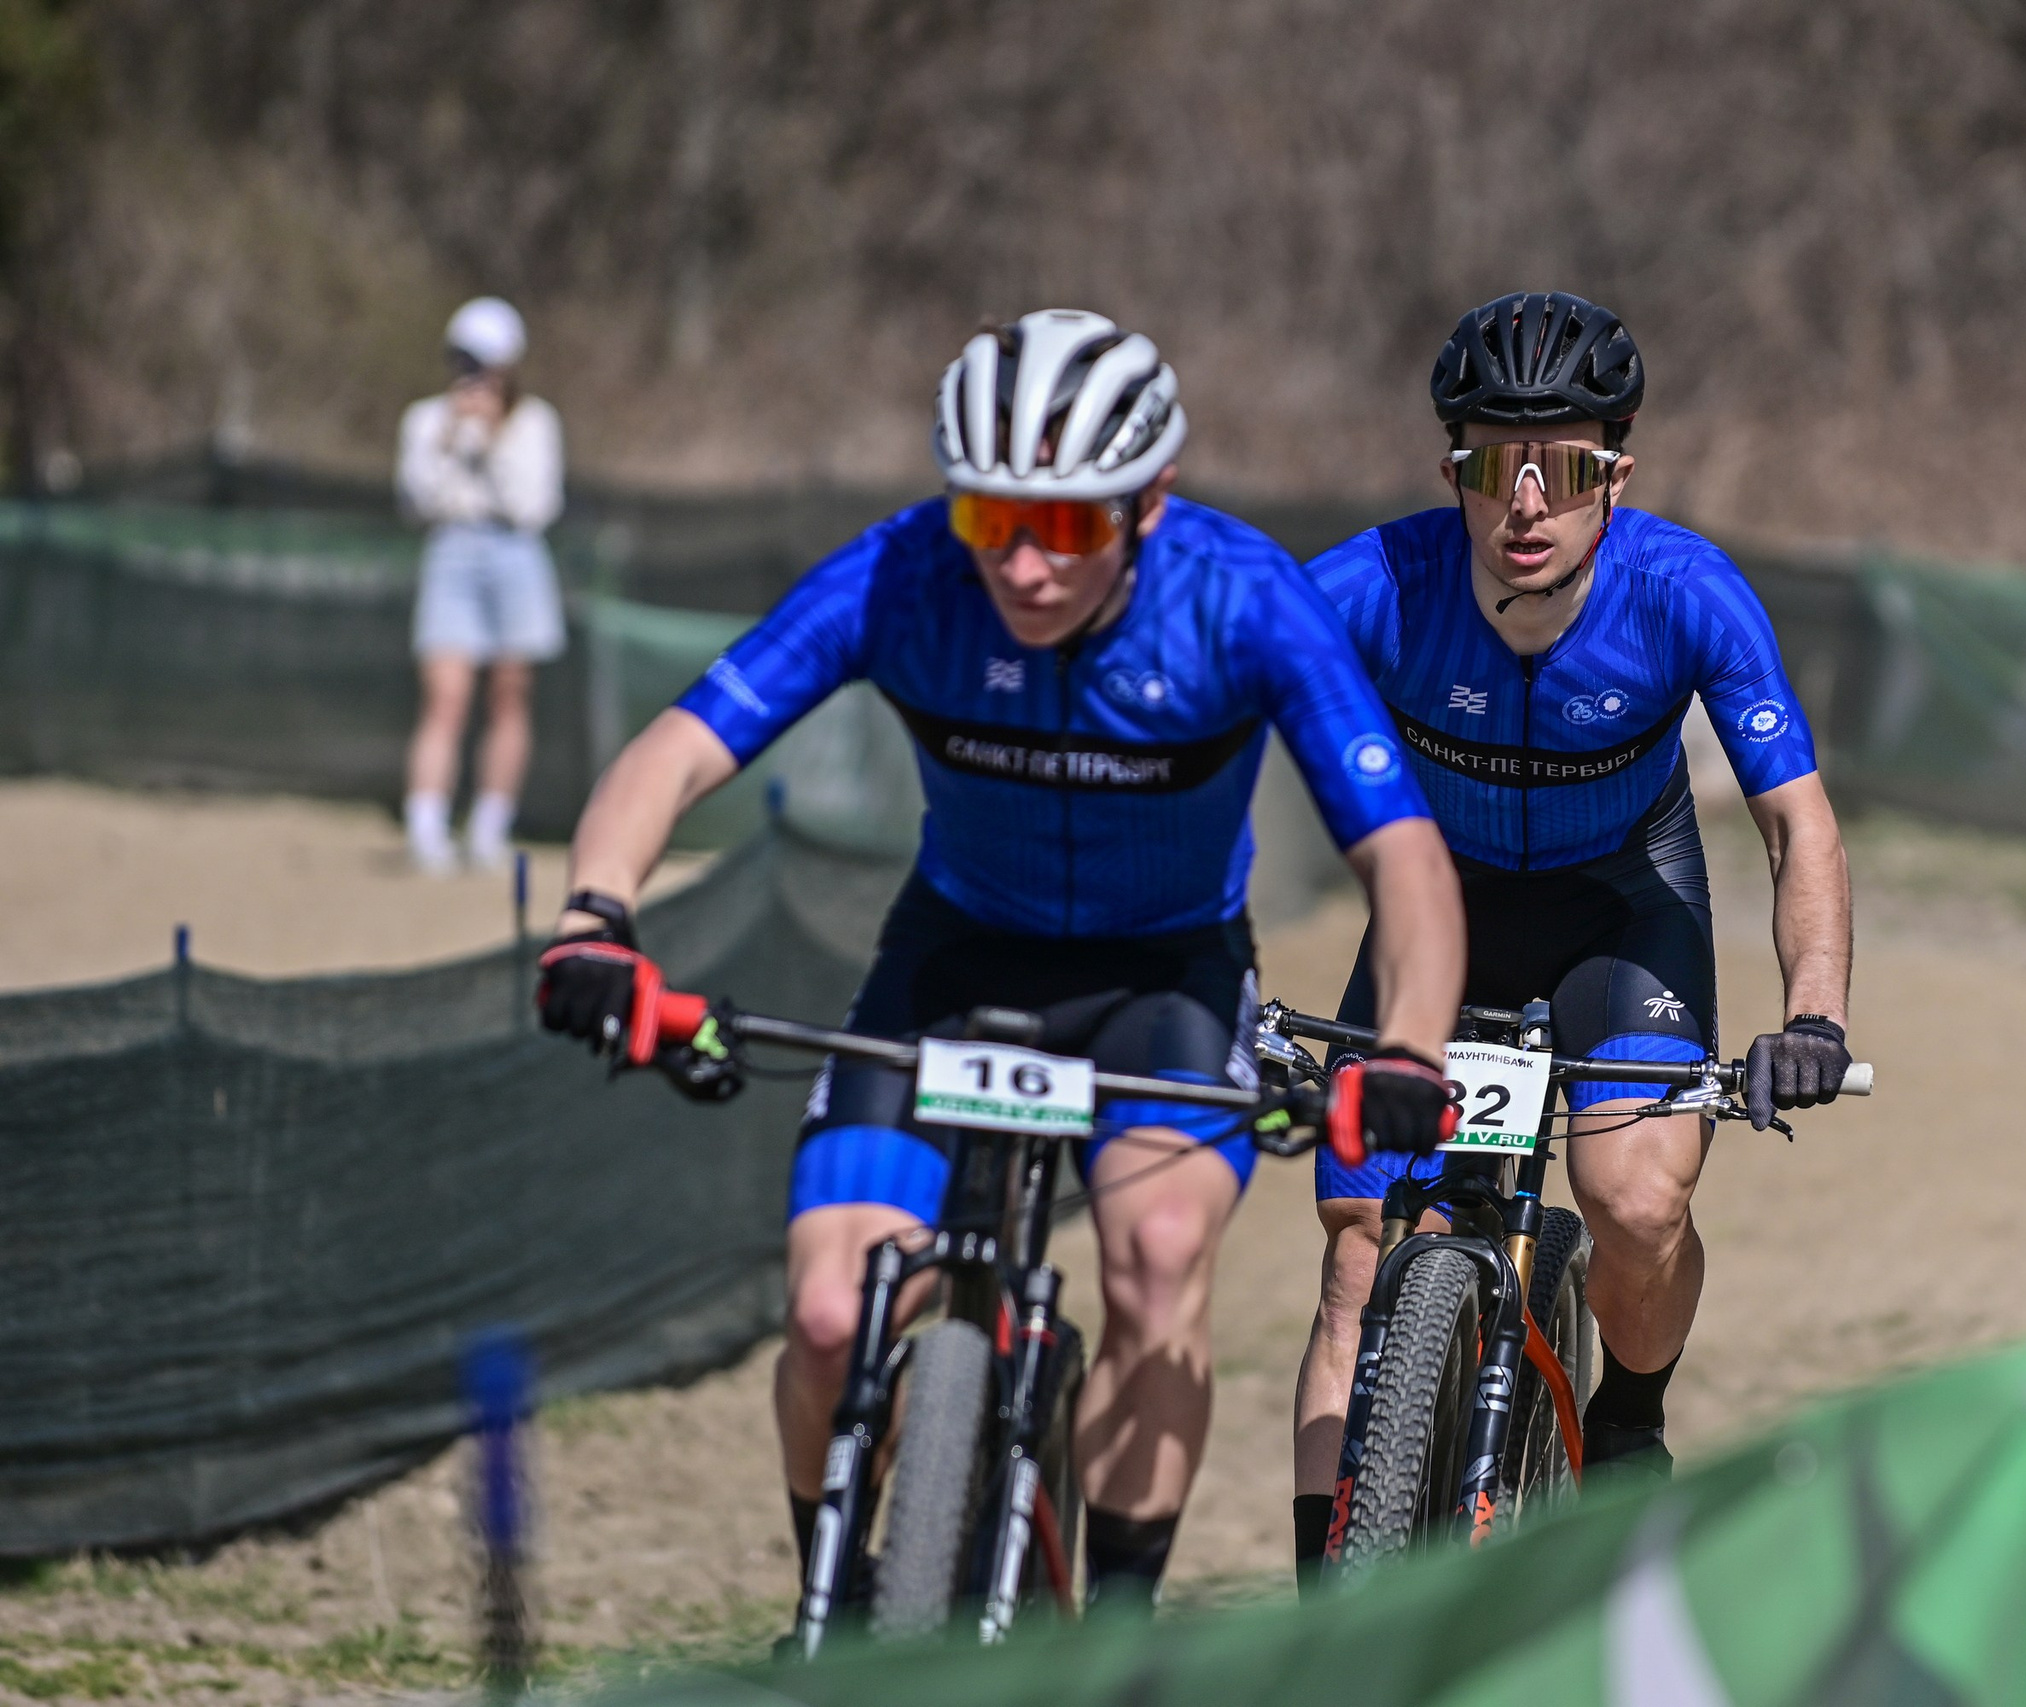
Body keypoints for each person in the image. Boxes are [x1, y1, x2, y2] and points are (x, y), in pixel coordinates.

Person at [534, 310, 1466, 1610]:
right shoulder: (903, 576)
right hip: (957, 957)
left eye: (1070, 525)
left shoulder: (1242, 599)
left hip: (1165, 978)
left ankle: (1119, 1626)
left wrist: (1409, 1045)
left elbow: (1407, 858)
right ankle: (839, 1592)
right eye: (992, 520)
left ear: (1152, 499)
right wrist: (595, 917)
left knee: (1154, 1254)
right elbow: (682, 747)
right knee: (823, 1313)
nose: (1025, 567)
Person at [1289, 292, 1856, 1572]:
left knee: (1634, 1201)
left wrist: (1812, 1012)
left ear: (1618, 473)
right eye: (1496, 466)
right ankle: (1324, 1622)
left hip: (1622, 904)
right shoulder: (1376, 586)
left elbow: (1797, 827)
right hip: (1441, 913)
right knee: (1357, 1252)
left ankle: (1629, 1420)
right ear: (1453, 474)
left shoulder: (1685, 593)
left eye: (1568, 468)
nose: (1529, 502)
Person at [397, 296, 566, 874]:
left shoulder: (535, 423)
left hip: (516, 555)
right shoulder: (424, 420)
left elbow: (535, 507)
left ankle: (490, 827)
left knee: (509, 693)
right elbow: (416, 501)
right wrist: (448, 444)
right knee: (444, 695)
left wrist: (492, 443)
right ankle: (426, 826)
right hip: (451, 550)